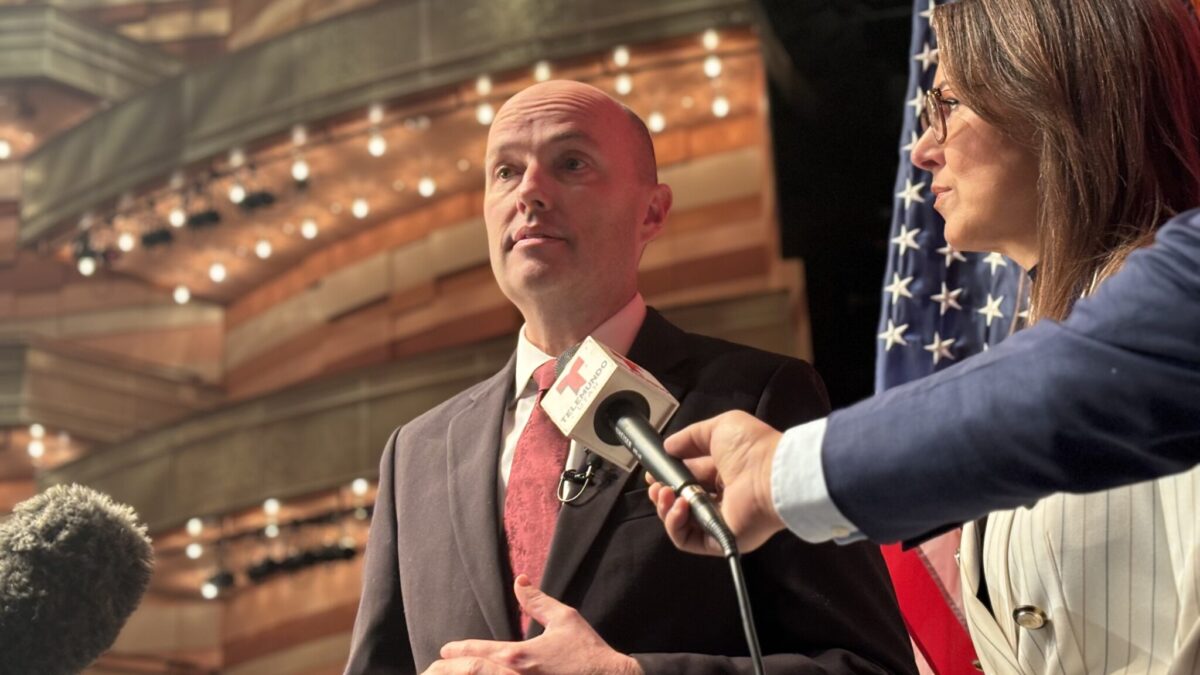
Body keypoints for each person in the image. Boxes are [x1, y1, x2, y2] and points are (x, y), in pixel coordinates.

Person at [654, 0, 1200, 672]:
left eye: (948, 103)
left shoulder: (1147, 336)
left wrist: (777, 476)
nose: (922, 147)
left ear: (1058, 97)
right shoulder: (1039, 343)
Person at [344, 80, 917, 674]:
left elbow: (869, 667)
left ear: (652, 211)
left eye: (571, 163)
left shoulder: (758, 397)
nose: (530, 193)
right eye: (506, 172)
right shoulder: (415, 453)